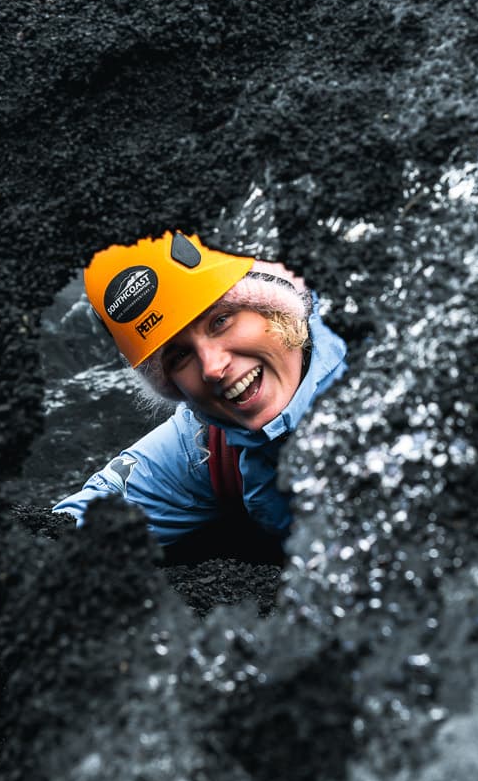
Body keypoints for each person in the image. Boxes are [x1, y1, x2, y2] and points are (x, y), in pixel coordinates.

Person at [53, 231, 348, 561]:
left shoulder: (388, 350)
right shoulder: (208, 446)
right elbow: (69, 528)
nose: (212, 367)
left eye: (221, 320)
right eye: (179, 356)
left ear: (274, 307)